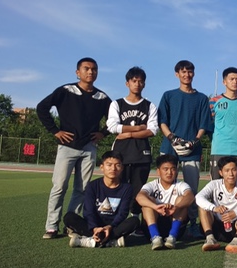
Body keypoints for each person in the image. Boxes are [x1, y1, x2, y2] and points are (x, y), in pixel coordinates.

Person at [37, 57, 111, 239]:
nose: (90, 72)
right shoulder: (66, 91)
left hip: (89, 147)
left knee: (82, 189)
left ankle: (72, 224)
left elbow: (114, 119)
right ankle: (51, 226)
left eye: (94, 69)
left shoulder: (102, 97)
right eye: (86, 68)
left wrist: (103, 133)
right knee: (59, 186)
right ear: (78, 72)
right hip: (67, 147)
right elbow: (42, 108)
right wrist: (55, 131)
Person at [158, 60, 213, 232]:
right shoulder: (168, 95)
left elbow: (204, 124)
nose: (186, 74)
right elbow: (162, 121)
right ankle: (163, 220)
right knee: (166, 187)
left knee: (192, 189)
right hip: (169, 148)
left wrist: (195, 140)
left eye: (189, 71)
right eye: (183, 71)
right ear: (177, 74)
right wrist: (172, 138)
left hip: (192, 150)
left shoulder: (201, 98)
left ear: (193, 74)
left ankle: (193, 223)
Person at [107, 66, 158, 216]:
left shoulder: (149, 105)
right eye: (134, 81)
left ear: (144, 84)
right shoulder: (117, 104)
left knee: (139, 190)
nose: (137, 84)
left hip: (141, 154)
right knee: (117, 187)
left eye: (140, 81)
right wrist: (137, 129)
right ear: (127, 83)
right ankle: (114, 220)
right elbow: (112, 126)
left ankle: (135, 219)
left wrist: (128, 134)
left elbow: (152, 130)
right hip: (121, 153)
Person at [65, 151, 139, 248]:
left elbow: (123, 213)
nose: (113, 168)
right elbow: (88, 211)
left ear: (122, 168)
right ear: (102, 167)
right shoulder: (92, 186)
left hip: (114, 226)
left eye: (117, 165)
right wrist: (95, 228)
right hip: (93, 225)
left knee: (135, 221)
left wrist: (109, 227)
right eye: (109, 165)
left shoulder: (127, 188)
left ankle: (89, 241)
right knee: (69, 217)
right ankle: (110, 241)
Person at [195, 156, 237, 253]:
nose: (231, 174)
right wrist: (214, 208)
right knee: (203, 207)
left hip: (235, 227)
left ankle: (236, 241)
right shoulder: (214, 184)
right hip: (217, 227)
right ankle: (210, 239)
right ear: (221, 173)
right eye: (227, 170)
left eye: (234, 170)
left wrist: (236, 212)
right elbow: (198, 197)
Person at [136, 154, 195, 250]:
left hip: (175, 227)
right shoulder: (152, 185)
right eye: (165, 169)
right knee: (148, 202)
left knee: (182, 200)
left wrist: (176, 207)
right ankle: (155, 237)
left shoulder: (181, 185)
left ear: (176, 171)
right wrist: (156, 207)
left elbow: (190, 196)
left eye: (173, 169)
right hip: (153, 225)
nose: (169, 172)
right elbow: (139, 197)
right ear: (158, 171)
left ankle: (172, 236)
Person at [209, 67, 237, 181]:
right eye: (231, 79)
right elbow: (209, 125)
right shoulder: (214, 101)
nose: (235, 82)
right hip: (219, 149)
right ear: (224, 82)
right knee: (216, 185)